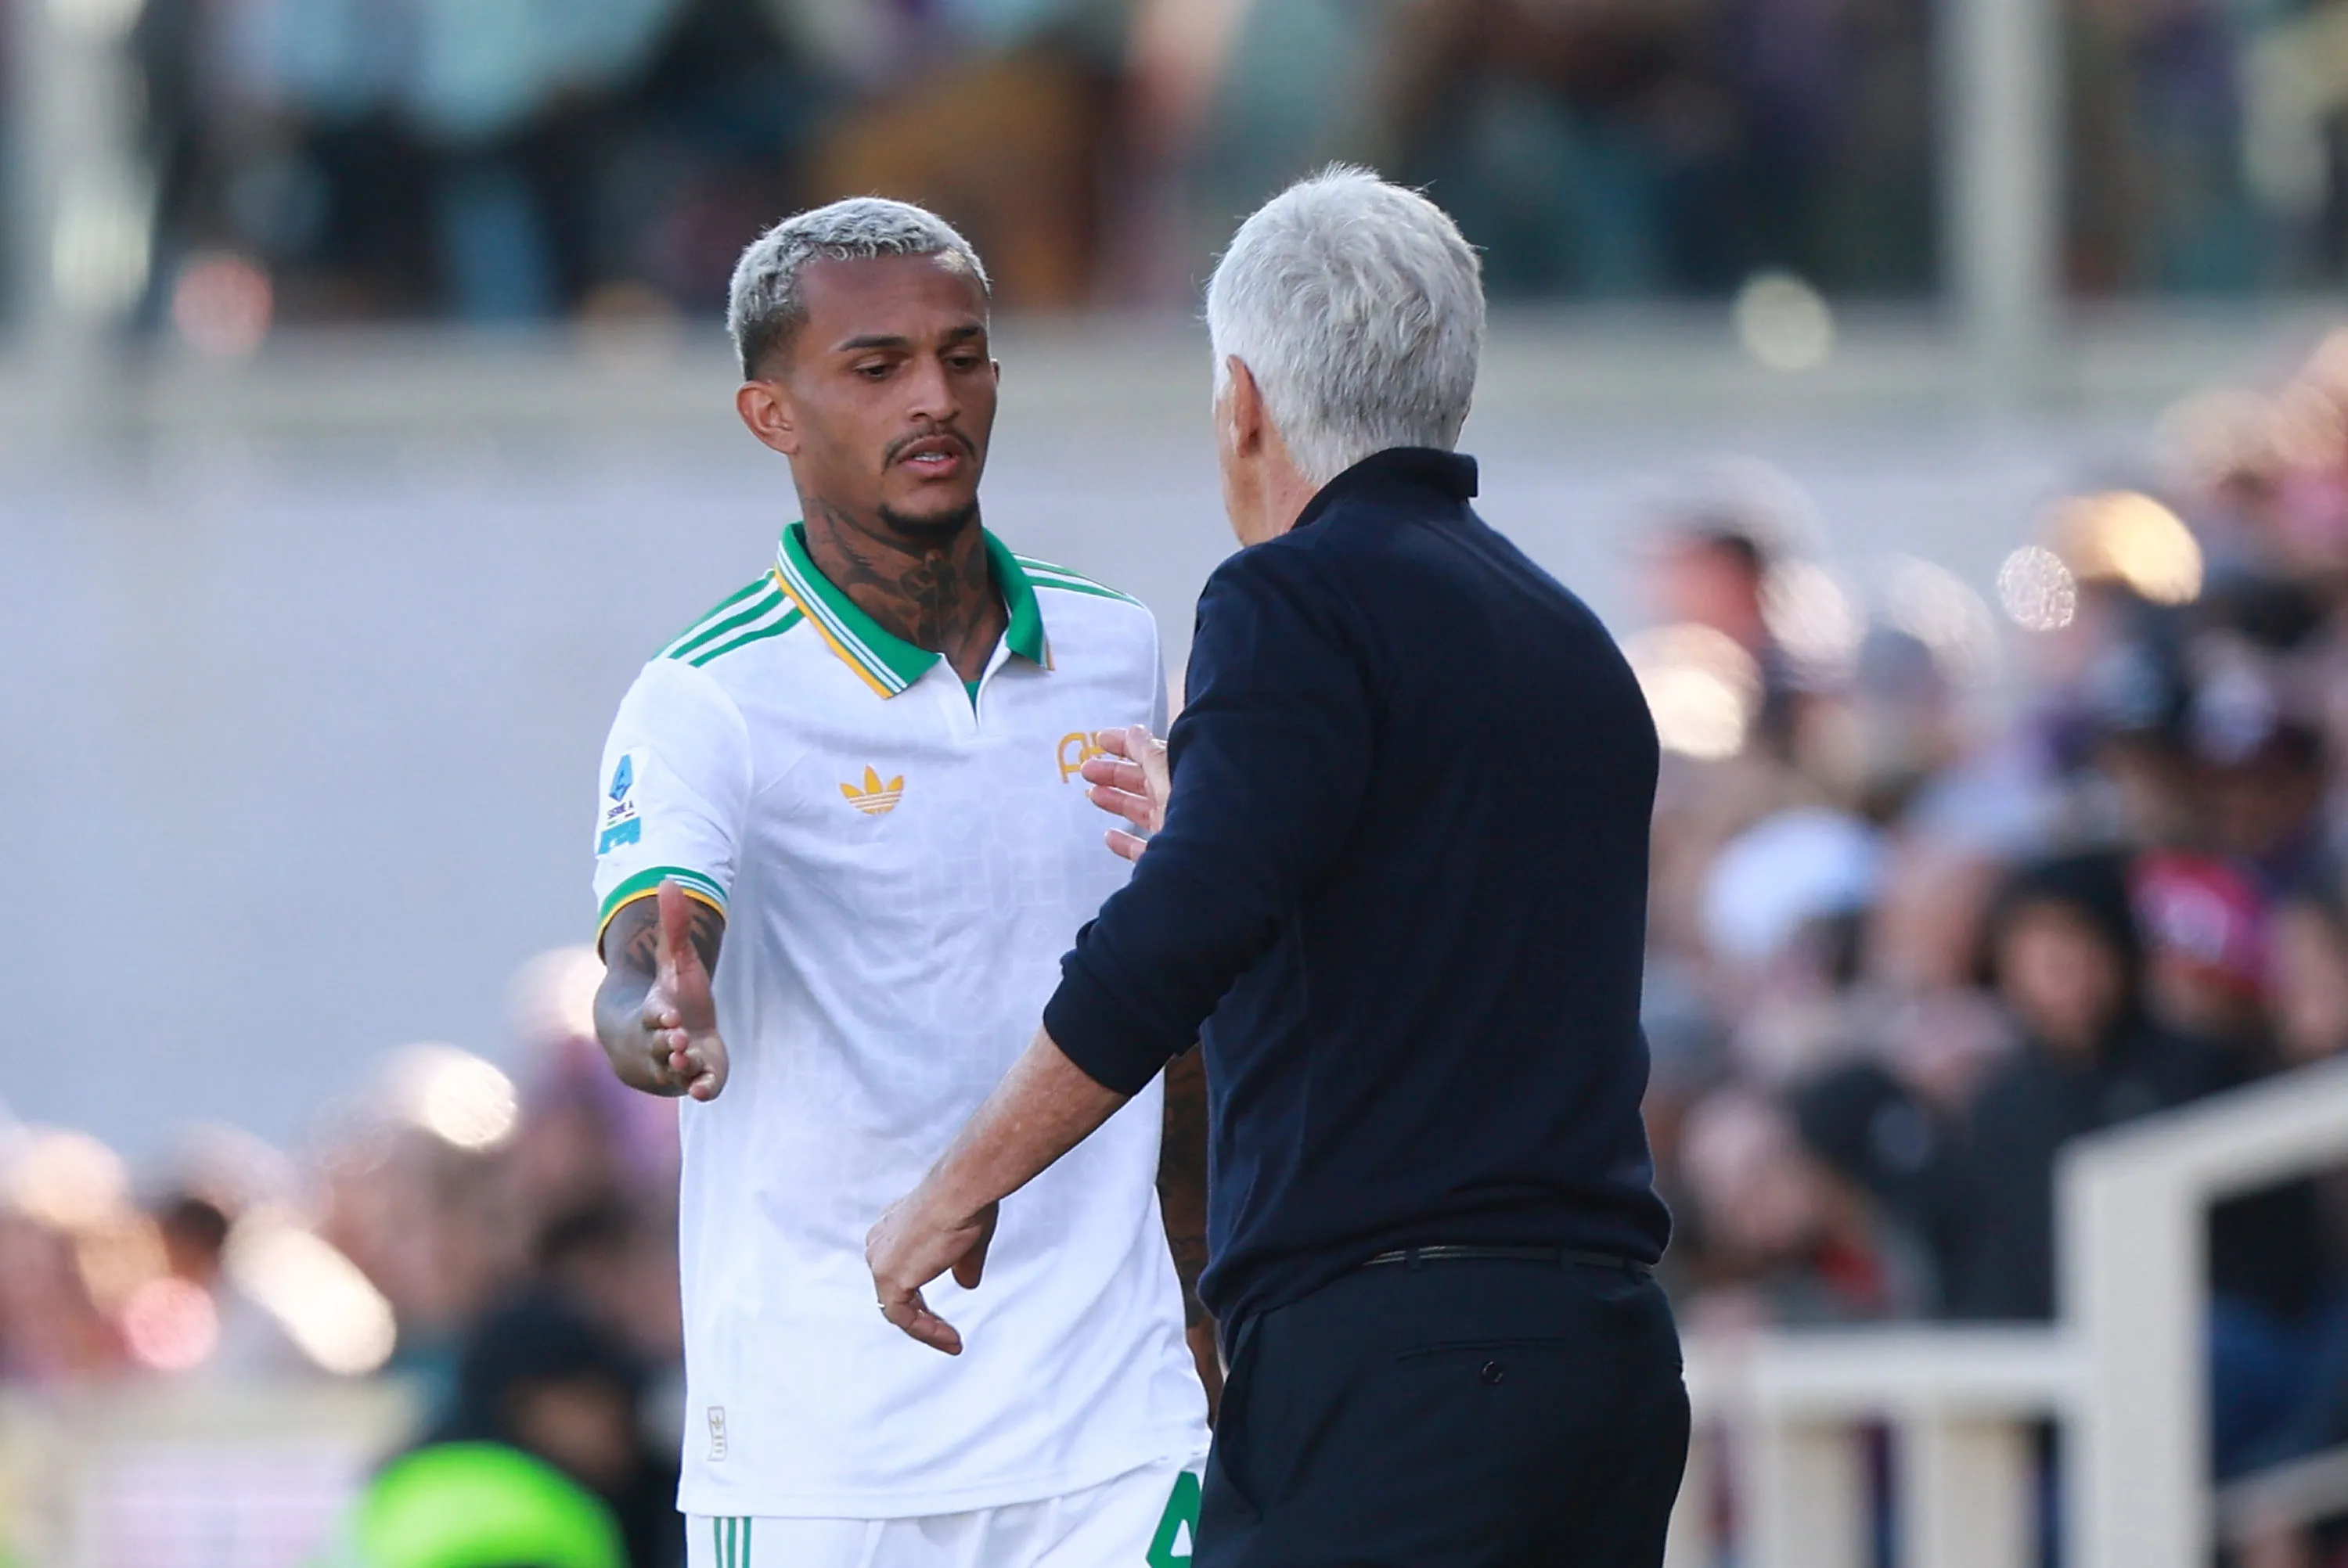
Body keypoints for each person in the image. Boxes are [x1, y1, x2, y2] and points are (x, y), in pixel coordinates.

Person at [868, 167, 1689, 1567]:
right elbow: (1432, 907)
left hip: (1401, 1377)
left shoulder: (1289, 596)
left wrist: (955, 1184)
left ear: (1241, 399)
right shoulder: (1569, 638)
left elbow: (1176, 937)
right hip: (1599, 1365)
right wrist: (1224, 811)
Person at [588, 197, 1210, 1568]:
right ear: (774, 414)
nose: (935, 398)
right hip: (829, 1451)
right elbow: (642, 964)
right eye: (876, 369)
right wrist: (662, 1012)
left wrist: (1213, 1308)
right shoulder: (706, 696)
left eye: (965, 355)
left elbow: (1169, 991)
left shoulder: (1116, 645)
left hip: (1112, 1420)